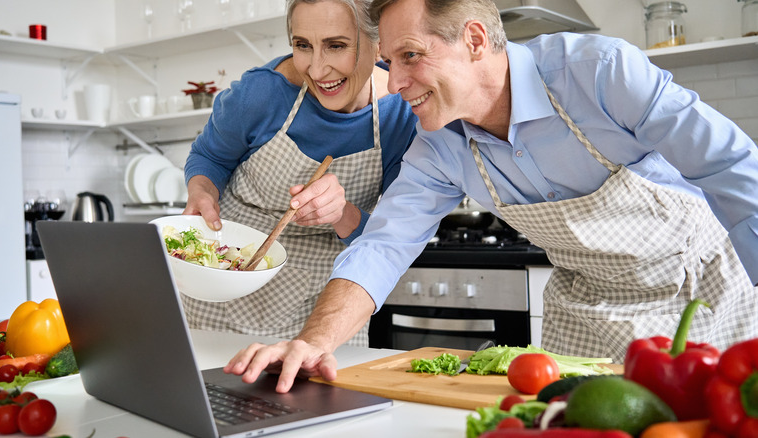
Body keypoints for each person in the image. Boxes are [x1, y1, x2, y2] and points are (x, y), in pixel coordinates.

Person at [225, 0, 758, 393]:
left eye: (410, 56)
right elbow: (382, 246)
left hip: (701, 291)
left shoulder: (599, 74)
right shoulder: (437, 145)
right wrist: (314, 342)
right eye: (389, 62)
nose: (395, 81)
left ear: (475, 40)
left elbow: (730, 166)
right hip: (589, 307)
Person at [182, 0, 417, 347]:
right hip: (225, 288)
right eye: (302, 45)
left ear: (379, 42)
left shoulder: (401, 115)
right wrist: (202, 192)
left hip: (326, 307)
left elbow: (391, 241)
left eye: (336, 46)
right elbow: (209, 157)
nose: (318, 69)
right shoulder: (260, 93)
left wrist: (343, 213)